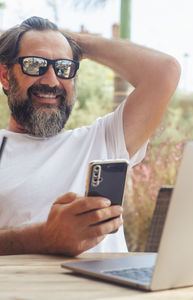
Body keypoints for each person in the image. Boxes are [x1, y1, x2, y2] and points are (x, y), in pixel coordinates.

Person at [0, 16, 180, 256]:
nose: (52, 81)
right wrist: (43, 238)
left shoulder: (103, 139)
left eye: (64, 68)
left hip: (114, 294)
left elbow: (164, 72)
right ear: (5, 76)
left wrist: (76, 43)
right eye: (35, 65)